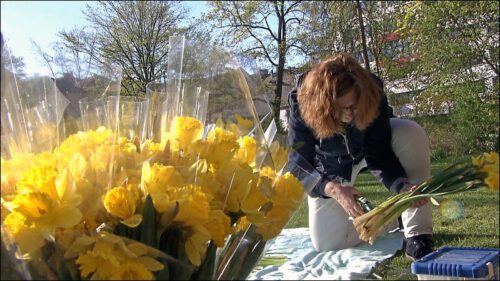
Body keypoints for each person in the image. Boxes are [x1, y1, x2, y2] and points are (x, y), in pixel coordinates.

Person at [287, 52, 434, 261]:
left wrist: (401, 185)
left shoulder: (371, 91)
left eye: (355, 106)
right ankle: (392, 219)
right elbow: (298, 164)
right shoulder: (300, 101)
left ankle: (418, 234)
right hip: (330, 167)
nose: (350, 114)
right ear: (323, 105)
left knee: (409, 131)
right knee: (327, 243)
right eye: (343, 108)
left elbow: (379, 151)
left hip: (366, 149)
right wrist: (333, 189)